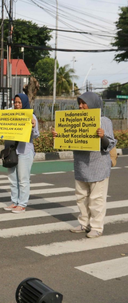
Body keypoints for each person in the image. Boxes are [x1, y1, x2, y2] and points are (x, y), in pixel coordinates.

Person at [52, 92, 116, 238]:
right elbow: (70, 138)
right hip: (81, 164)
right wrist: (59, 136)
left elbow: (109, 144)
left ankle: (96, 227)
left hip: (98, 166)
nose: (81, 106)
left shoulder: (104, 120)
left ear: (93, 103)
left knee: (96, 199)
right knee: (81, 196)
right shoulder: (75, 120)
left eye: (84, 103)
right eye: (79, 103)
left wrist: (102, 136)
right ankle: (84, 223)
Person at [0, 93, 39, 214]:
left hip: (25, 151)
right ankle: (14, 202)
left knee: (23, 179)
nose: (17, 105)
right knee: (12, 178)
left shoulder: (30, 116)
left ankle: (22, 204)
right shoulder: (9, 115)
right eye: (15, 102)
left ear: (24, 103)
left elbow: (35, 135)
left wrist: (33, 125)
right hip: (11, 151)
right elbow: (1, 130)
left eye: (19, 102)